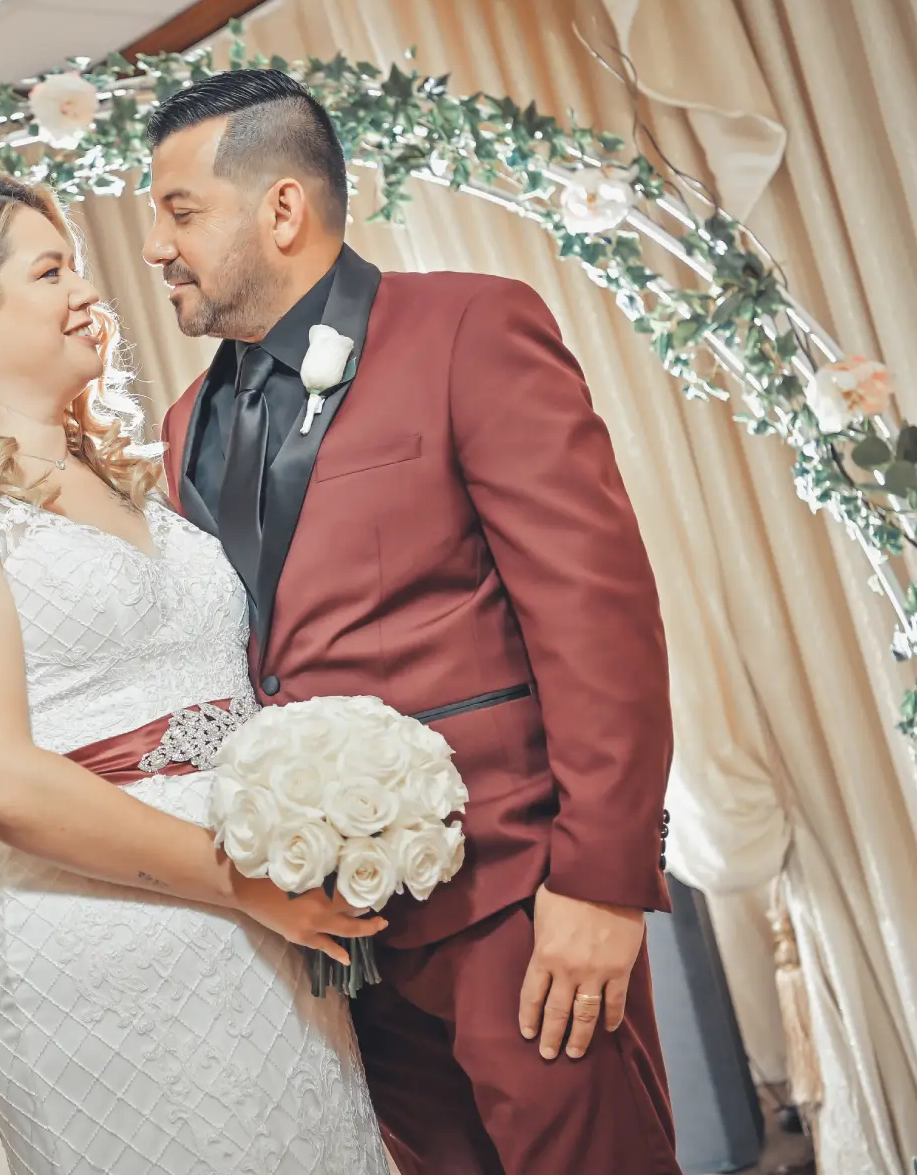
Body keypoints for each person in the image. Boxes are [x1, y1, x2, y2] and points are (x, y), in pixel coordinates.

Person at [143, 67, 683, 1175]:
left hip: (516, 903)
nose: (156, 245)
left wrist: (598, 881)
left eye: (178, 210)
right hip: (343, 945)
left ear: (280, 210)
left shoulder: (467, 326)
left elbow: (596, 615)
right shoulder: (184, 420)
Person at [0, 175, 390, 1173]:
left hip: (264, 923)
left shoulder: (146, 483)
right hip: (97, 947)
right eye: (51, 270)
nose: (87, 290)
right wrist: (237, 882)